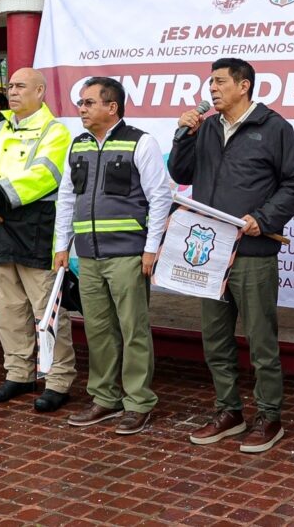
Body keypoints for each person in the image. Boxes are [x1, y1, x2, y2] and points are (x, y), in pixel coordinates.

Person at [169, 57, 294, 453]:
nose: (211, 89)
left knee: (261, 339)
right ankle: (228, 410)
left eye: (219, 82)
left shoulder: (273, 127)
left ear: (243, 86)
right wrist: (184, 134)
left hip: (252, 251)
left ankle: (269, 415)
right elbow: (182, 174)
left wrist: (264, 219)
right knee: (215, 339)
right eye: (210, 82)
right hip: (209, 252)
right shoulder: (206, 127)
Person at [53, 77, 172, 435]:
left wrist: (151, 248)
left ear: (112, 107)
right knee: (98, 329)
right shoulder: (78, 145)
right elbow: (67, 199)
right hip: (87, 257)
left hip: (128, 255)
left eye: (88, 103)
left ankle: (138, 402)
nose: (81, 109)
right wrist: (62, 245)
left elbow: (160, 197)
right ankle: (104, 397)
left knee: (133, 329)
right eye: (81, 103)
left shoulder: (141, 143)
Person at [0, 68, 75, 412]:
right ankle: (19, 373)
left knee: (46, 309)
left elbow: (43, 176)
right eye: (9, 85)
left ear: (40, 92)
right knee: (10, 310)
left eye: (20, 86)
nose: (11, 91)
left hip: (35, 227)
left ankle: (58, 380)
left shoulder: (56, 131)